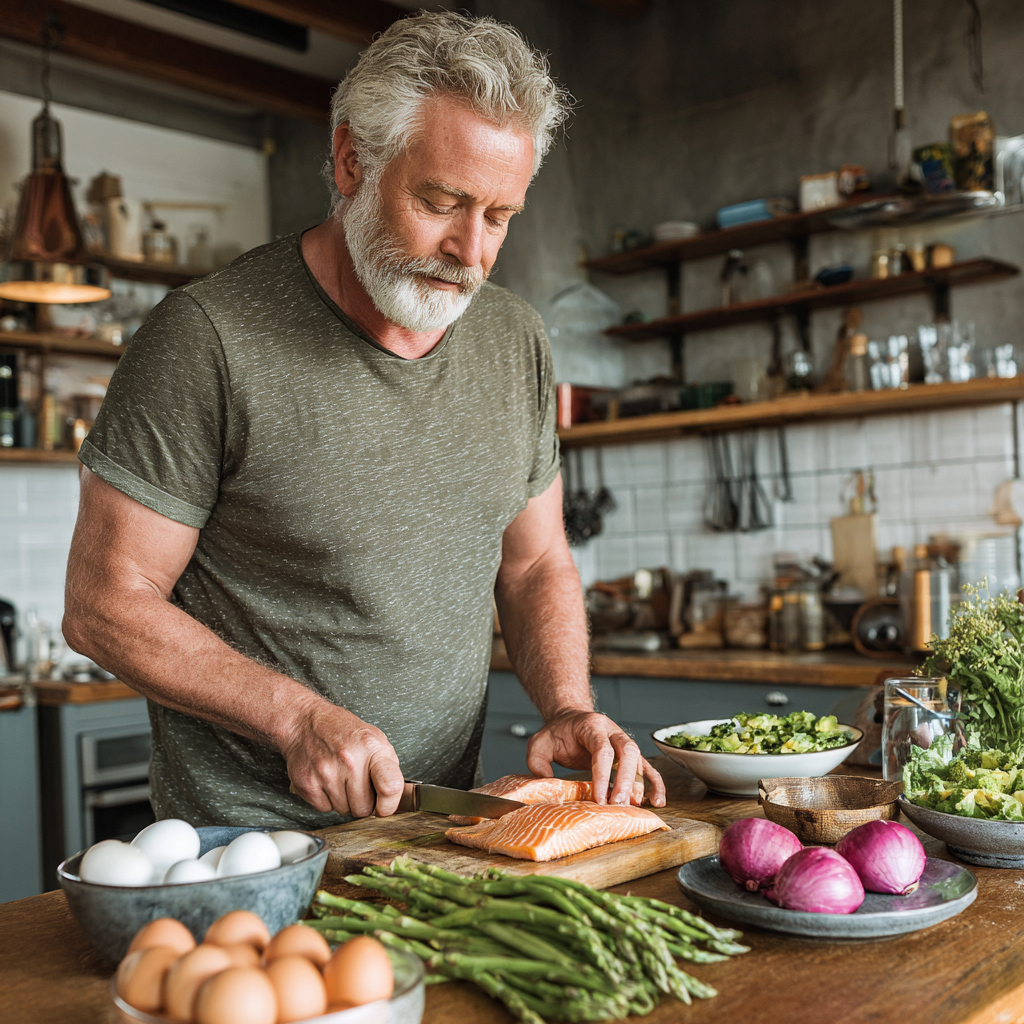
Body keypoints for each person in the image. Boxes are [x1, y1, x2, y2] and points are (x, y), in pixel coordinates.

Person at [63, 11, 665, 828]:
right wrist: (294, 718)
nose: (470, 252)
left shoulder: (514, 338)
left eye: (499, 216)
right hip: (250, 846)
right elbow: (106, 602)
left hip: (437, 833)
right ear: (352, 161)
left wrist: (567, 705)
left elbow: (532, 565)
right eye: (441, 202)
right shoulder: (207, 338)